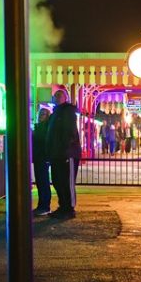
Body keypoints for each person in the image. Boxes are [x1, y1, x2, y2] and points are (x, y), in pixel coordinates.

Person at [47, 87, 80, 220]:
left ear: (65, 98)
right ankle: (63, 206)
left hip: (67, 153)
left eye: (60, 94)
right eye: (55, 95)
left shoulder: (68, 111)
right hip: (57, 153)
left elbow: (69, 131)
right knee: (57, 180)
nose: (57, 96)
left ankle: (69, 208)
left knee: (67, 181)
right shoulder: (55, 113)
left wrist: (66, 148)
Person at [32, 106, 53, 216]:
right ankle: (41, 205)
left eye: (43, 114)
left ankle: (45, 206)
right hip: (38, 157)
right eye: (40, 114)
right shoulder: (39, 127)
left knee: (43, 181)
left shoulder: (45, 128)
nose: (41, 116)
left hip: (43, 157)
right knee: (40, 182)